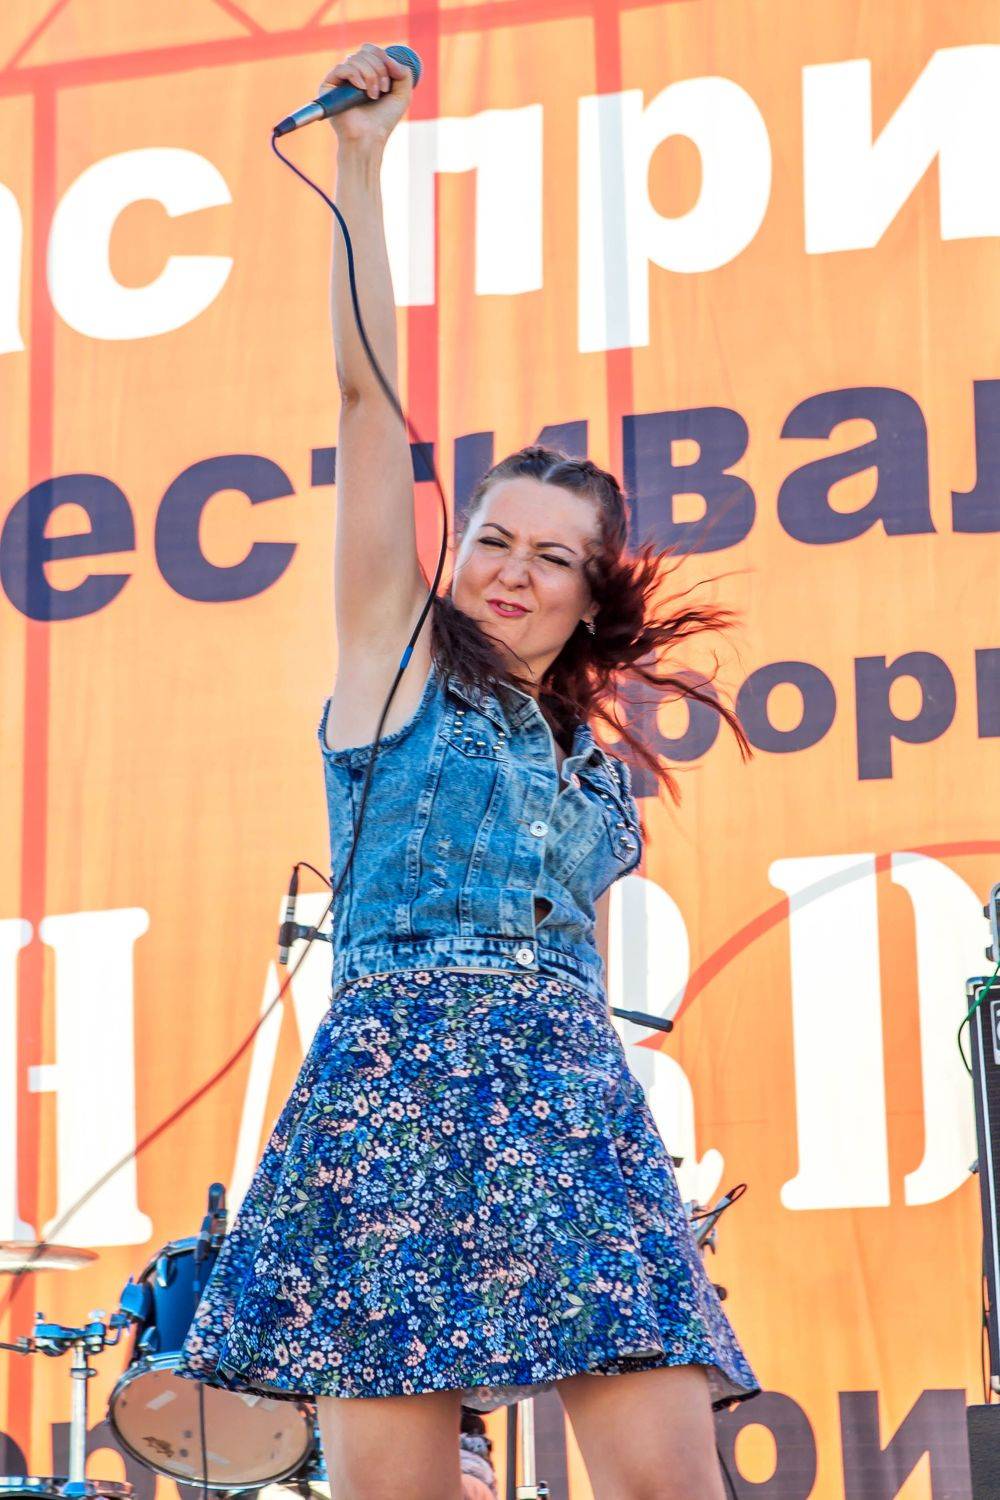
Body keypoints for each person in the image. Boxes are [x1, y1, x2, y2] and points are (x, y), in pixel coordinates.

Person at [176, 41, 760, 1500]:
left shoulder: (593, 775)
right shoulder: (395, 665)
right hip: (392, 1094)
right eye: (491, 538)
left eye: (551, 556)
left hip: (567, 1095)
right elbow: (368, 411)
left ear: (591, 594)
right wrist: (364, 166)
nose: (510, 569)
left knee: (672, 1481)